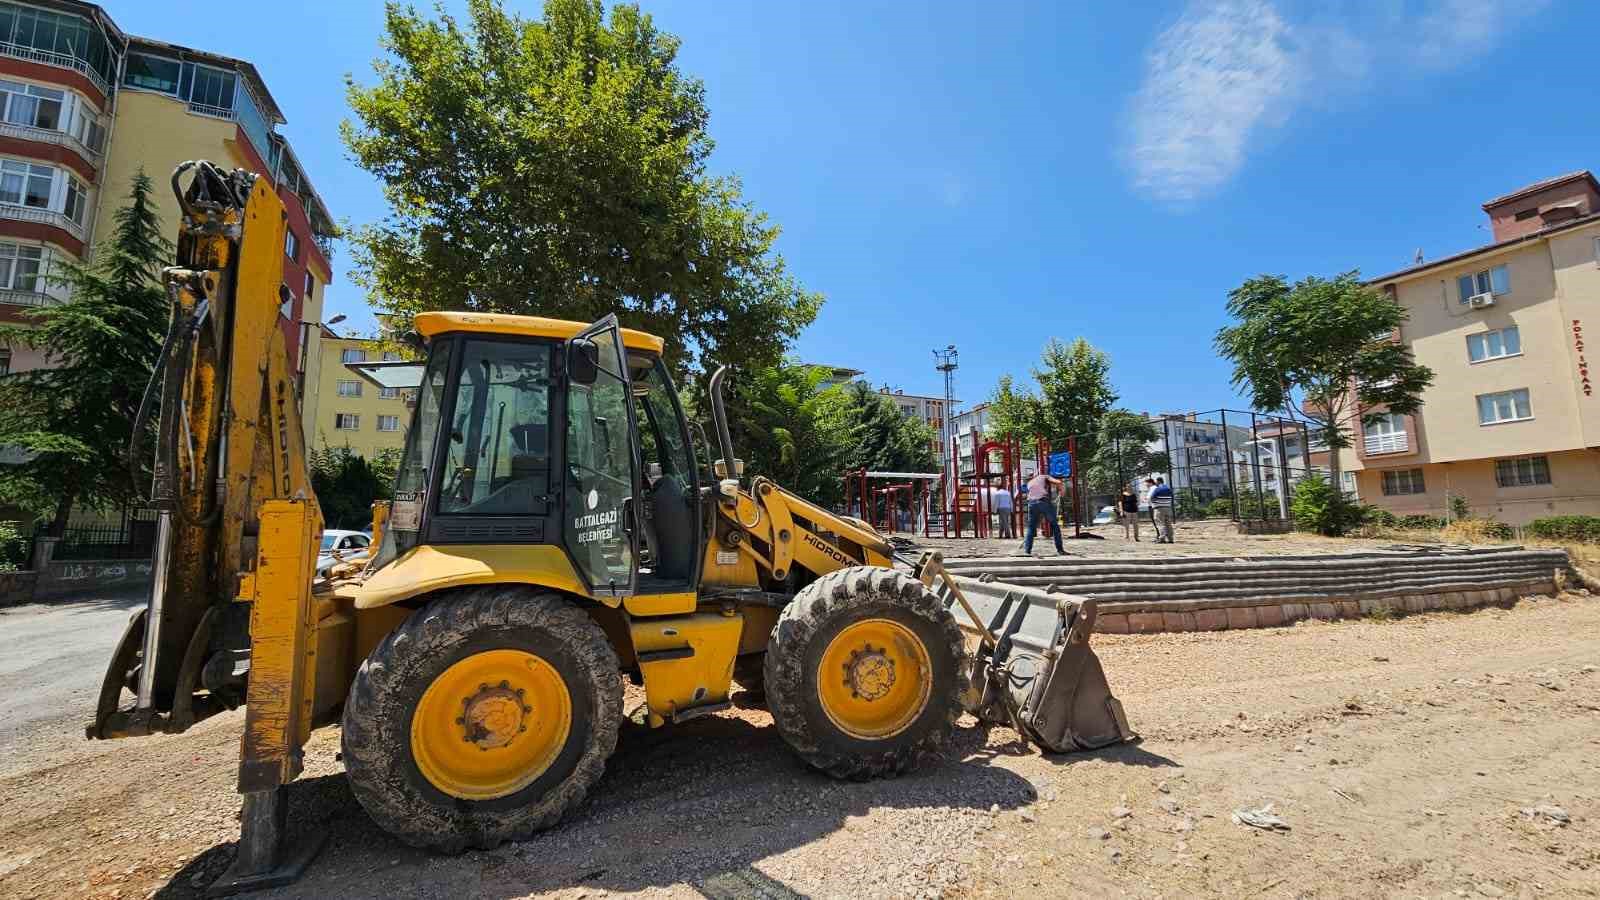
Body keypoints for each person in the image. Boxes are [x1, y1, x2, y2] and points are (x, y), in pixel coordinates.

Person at [1021, 470, 1067, 555]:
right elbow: (1058, 482)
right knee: (1055, 526)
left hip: (1031, 504)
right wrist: (1062, 488)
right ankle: (1060, 550)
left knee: (1031, 528)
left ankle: (1027, 551)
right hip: (1043, 502)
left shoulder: (1029, 483)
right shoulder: (1043, 476)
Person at [1148, 476, 1175, 543]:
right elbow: (1172, 496)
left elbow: (1152, 498)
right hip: (1167, 508)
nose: (1156, 483)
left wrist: (1154, 504)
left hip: (1159, 508)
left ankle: (1162, 538)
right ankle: (1170, 538)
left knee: (1160, 523)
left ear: (1158, 481)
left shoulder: (1157, 489)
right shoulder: (1168, 488)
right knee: (1168, 523)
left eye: (1156, 482)